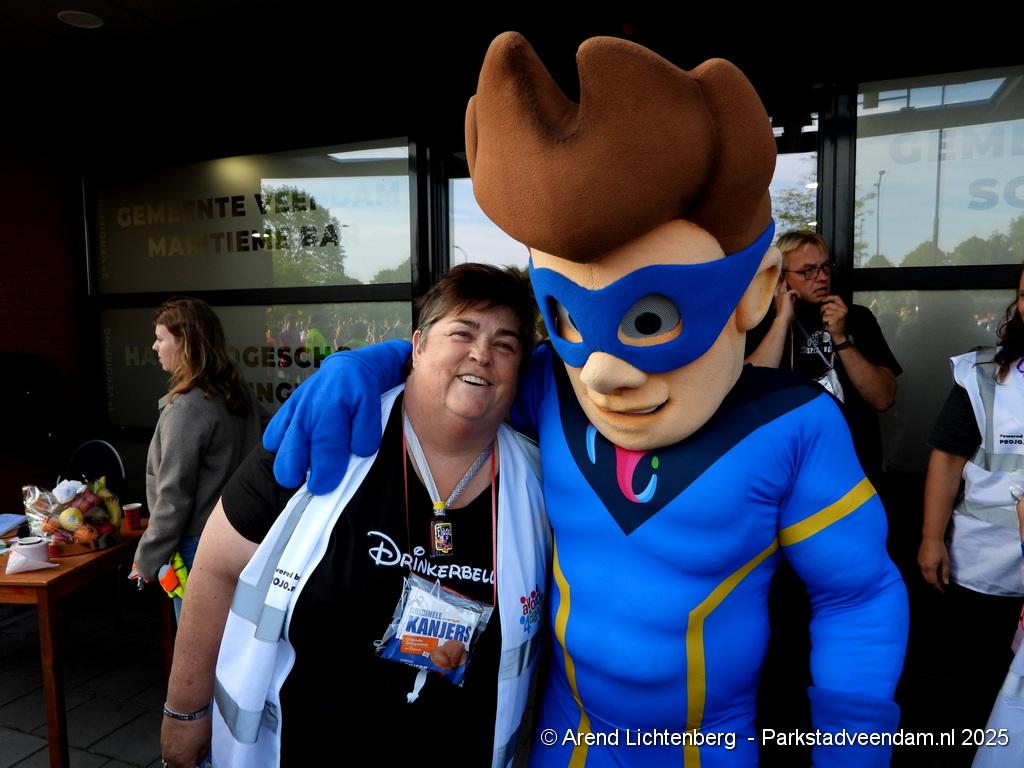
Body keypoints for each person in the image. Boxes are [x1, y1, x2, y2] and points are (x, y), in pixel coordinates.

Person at [261, 33, 907, 767]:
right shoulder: (550, 385)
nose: (602, 374)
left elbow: (857, 596)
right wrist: (368, 364)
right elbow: (472, 365)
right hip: (567, 734)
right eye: (568, 319)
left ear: (756, 290)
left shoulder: (793, 425)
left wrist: (853, 747)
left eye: (650, 319)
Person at [159, 264, 550, 768]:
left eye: (505, 344)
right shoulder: (326, 431)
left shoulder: (539, 481)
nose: (482, 354)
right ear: (417, 346)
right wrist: (185, 711)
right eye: (462, 332)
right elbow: (215, 566)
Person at [918, 264, 1024, 764]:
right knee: (975, 692)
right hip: (985, 568)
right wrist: (931, 538)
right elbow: (947, 458)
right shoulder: (983, 373)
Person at [133, 297, 259, 619]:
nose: (154, 347)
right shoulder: (237, 394)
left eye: (161, 338)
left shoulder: (187, 408)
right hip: (244, 537)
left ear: (185, 343)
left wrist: (147, 558)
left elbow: (174, 495)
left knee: (199, 643)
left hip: (198, 547)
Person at [745, 230, 901, 480]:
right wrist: (782, 321)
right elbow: (750, 389)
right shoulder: (761, 323)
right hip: (787, 464)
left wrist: (840, 338)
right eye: (808, 271)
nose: (822, 277)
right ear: (781, 278)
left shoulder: (857, 318)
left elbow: (883, 398)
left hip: (853, 464)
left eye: (825, 267)